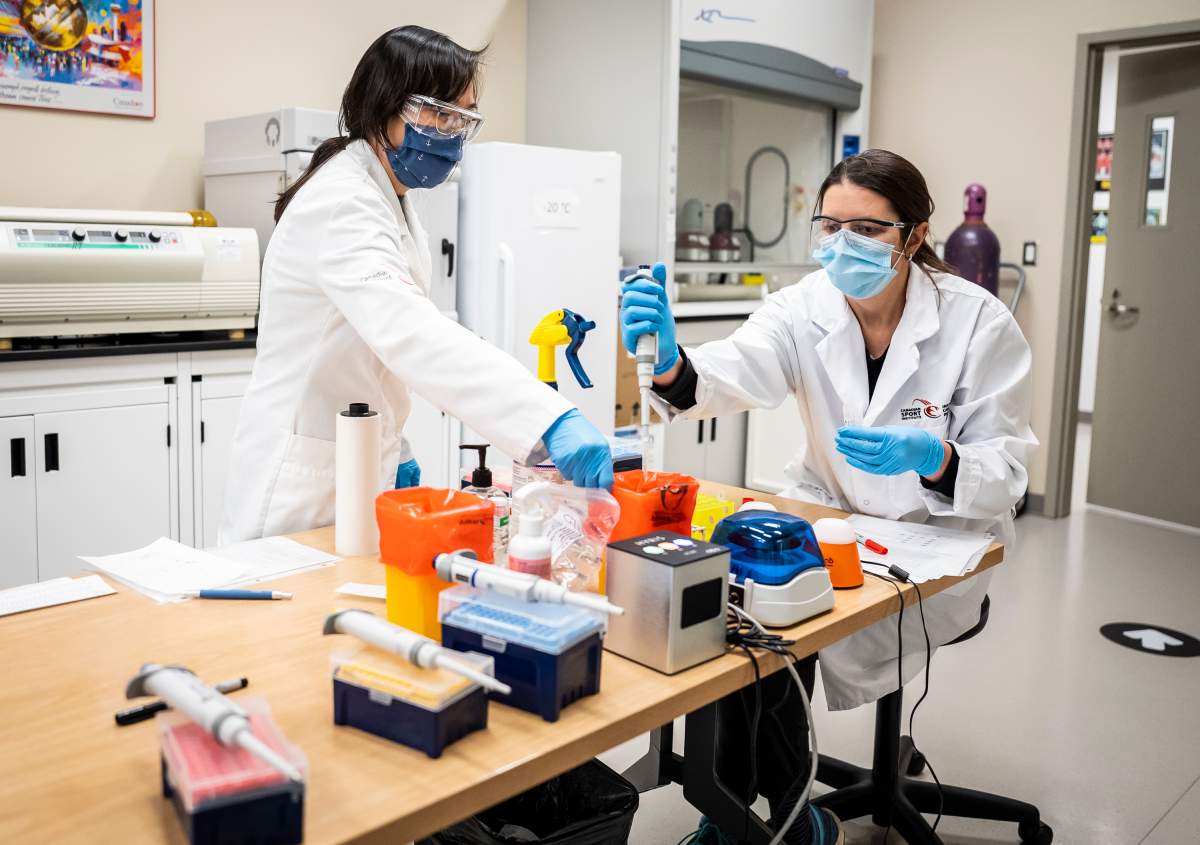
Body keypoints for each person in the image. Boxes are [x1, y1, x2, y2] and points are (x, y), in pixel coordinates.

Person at [622, 149, 1036, 844]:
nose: (844, 244)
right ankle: (748, 810)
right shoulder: (801, 307)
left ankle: (776, 817)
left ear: (915, 233)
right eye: (829, 225)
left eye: (868, 230)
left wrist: (939, 460)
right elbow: (736, 369)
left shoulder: (979, 324)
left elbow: (1009, 466)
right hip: (831, 508)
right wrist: (671, 362)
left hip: (940, 539)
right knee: (752, 604)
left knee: (786, 626)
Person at [221, 26, 612, 543]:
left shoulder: (391, 201)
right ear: (385, 104)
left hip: (353, 461)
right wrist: (548, 420)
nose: (452, 133)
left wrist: (395, 446)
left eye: (463, 118)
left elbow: (372, 347)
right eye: (440, 113)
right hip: (299, 484)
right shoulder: (344, 201)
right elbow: (412, 334)